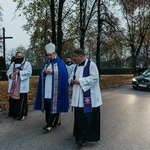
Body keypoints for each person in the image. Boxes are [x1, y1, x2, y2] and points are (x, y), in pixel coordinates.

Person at [69, 49, 103, 147]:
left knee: (87, 119)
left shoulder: (91, 65)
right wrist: (71, 80)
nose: (74, 58)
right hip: (78, 98)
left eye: (75, 56)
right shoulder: (76, 66)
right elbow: (71, 77)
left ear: (80, 56)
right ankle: (79, 135)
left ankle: (84, 138)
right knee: (79, 118)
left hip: (89, 98)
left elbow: (95, 78)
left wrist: (80, 81)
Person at [34, 43, 69, 132]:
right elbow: (42, 72)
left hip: (56, 88)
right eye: (47, 55)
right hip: (47, 88)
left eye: (50, 55)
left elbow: (64, 73)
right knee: (48, 105)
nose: (49, 57)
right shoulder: (46, 63)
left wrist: (53, 72)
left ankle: (50, 124)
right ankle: (50, 122)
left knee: (55, 105)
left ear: (54, 54)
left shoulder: (60, 62)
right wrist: (44, 72)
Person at [6, 52, 32, 121]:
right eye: (18, 56)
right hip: (14, 85)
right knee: (13, 100)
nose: (19, 57)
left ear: (22, 56)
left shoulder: (27, 64)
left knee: (22, 101)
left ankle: (22, 114)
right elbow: (8, 71)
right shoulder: (13, 64)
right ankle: (14, 114)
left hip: (22, 85)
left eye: (20, 56)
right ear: (15, 57)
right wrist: (10, 75)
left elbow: (29, 72)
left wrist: (20, 72)